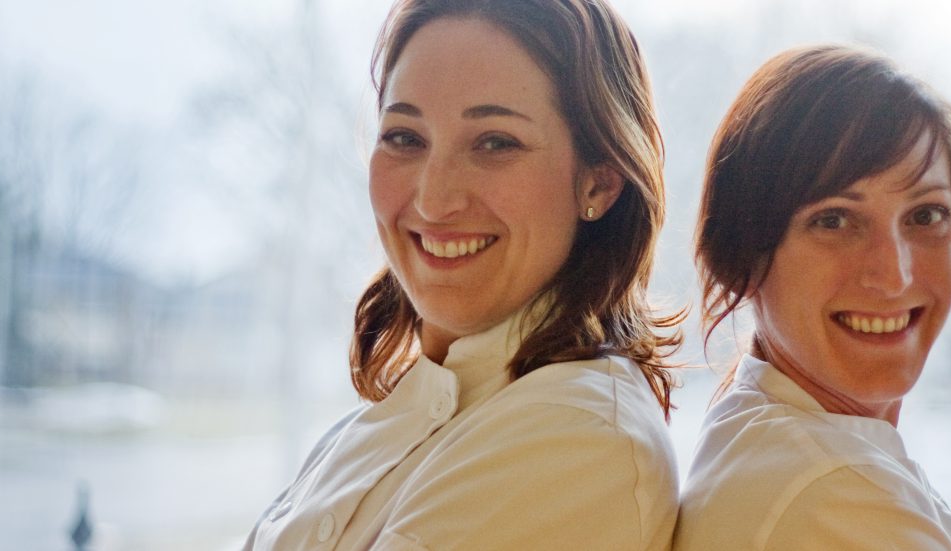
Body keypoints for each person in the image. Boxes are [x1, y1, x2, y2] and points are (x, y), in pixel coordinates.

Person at [243, 0, 682, 549]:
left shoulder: (574, 439)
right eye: (405, 137)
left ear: (598, 184)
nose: (433, 200)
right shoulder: (405, 407)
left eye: (495, 143)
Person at [674, 44, 951, 550]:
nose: (894, 275)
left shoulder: (776, 442)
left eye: (926, 215)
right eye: (834, 220)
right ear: (740, 255)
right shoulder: (837, 501)